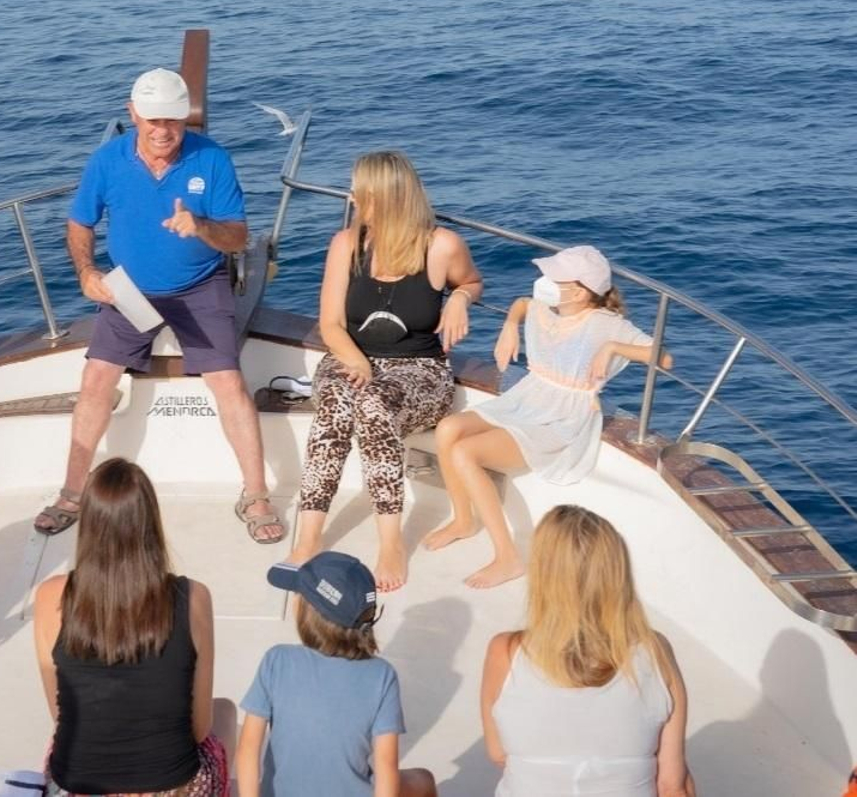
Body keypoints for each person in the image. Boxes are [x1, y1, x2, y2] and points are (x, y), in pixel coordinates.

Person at [35, 67, 281, 545]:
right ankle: (71, 492)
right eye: (153, 120)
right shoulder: (106, 160)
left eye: (173, 120)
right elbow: (80, 224)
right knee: (96, 378)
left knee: (228, 381)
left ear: (185, 118)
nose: (163, 130)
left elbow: (239, 236)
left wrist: (202, 227)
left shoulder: (213, 160)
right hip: (130, 289)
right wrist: (87, 273)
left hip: (200, 284)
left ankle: (255, 494)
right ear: (133, 115)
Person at [424, 246, 672, 588]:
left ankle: (508, 557)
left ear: (581, 290)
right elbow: (523, 303)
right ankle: (464, 520)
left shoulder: (605, 325)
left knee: (464, 452)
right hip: (528, 397)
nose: (546, 282)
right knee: (448, 429)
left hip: (563, 417)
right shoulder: (547, 306)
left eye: (556, 278)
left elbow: (663, 357)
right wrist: (510, 325)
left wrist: (612, 347)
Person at [295, 151, 483, 591]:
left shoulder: (441, 246)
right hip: (348, 358)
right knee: (338, 405)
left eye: (361, 192)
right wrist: (356, 360)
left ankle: (390, 543)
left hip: (419, 371)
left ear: (385, 197)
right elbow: (330, 325)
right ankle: (308, 538)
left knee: (375, 407)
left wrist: (459, 298)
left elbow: (472, 282)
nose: (353, 198)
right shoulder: (346, 244)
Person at [32, 458, 226, 796]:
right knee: (224, 713)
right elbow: (199, 728)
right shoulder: (193, 596)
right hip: (173, 785)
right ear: (151, 523)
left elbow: (60, 713)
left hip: (78, 786)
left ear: (89, 525)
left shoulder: (50, 596)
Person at [480, 504, 695, 797]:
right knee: (682, 775)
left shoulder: (504, 652)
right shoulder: (655, 651)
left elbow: (498, 753)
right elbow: (672, 785)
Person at [237, 552, 436, 797]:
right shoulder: (382, 676)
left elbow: (248, 749)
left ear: (308, 611)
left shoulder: (277, 660)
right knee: (424, 780)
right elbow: (386, 768)